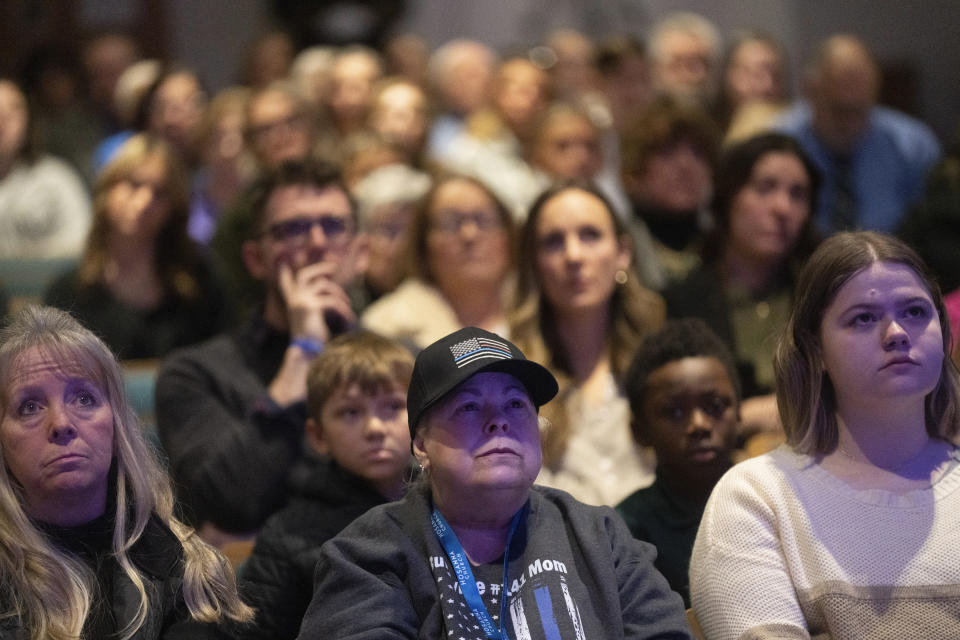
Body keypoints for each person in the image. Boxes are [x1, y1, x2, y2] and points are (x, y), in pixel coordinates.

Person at [297, 326, 692, 638]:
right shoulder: (368, 553)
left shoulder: (599, 535)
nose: (498, 420)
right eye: (469, 406)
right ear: (421, 444)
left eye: (515, 404)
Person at [690, 231, 960, 639]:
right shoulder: (758, 497)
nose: (897, 333)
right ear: (815, 350)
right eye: (864, 318)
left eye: (916, 312)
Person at [0, 305, 253, 638]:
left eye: (84, 399)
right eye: (29, 406)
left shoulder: (190, 572)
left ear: (117, 427)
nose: (61, 425)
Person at [154, 159, 367, 540]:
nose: (318, 243)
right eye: (294, 229)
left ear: (360, 252)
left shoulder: (405, 364)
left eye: (333, 226)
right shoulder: (194, 374)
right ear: (256, 259)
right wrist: (305, 350)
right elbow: (230, 505)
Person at [240, 330, 415, 640]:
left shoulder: (453, 509)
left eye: (392, 407)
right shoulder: (288, 535)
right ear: (318, 436)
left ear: (420, 419)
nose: (374, 428)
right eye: (350, 412)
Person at [511, 182, 665, 506]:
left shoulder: (661, 356)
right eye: (553, 242)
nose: (574, 255)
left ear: (623, 253)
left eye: (590, 235)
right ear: (534, 263)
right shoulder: (510, 373)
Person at [664, 132, 820, 435]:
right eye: (765, 188)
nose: (782, 208)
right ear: (728, 196)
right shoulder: (681, 302)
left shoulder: (821, 298)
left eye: (798, 194)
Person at [44, 133, 229, 360]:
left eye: (159, 193)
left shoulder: (201, 285)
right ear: (106, 190)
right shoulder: (66, 293)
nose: (144, 202)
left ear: (174, 208)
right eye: (134, 185)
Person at [616, 318, 741, 607]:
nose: (699, 424)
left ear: (739, 412)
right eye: (674, 412)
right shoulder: (626, 533)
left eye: (715, 407)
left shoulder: (776, 500)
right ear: (639, 431)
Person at [776, 34, 940, 233]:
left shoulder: (914, 145)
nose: (850, 125)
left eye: (859, 112)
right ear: (810, 92)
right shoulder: (779, 143)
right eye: (839, 111)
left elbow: (932, 230)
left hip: (890, 257)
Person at [362, 174, 515, 351]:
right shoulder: (386, 326)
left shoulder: (540, 311)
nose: (470, 234)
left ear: (509, 235)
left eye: (484, 220)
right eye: (450, 223)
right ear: (423, 244)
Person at [620, 96, 720, 291]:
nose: (686, 165)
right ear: (634, 169)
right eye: (667, 152)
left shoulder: (724, 247)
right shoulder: (619, 247)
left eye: (698, 153)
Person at [0, 78, 92, 260]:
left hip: (41, 287)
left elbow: (78, 245)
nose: (1, 122)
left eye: (11, 113)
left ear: (28, 121)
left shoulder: (56, 180)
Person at [648, 12, 722, 108]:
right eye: (679, 64)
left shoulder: (733, 120)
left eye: (703, 63)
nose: (695, 76)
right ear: (656, 68)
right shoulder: (637, 120)